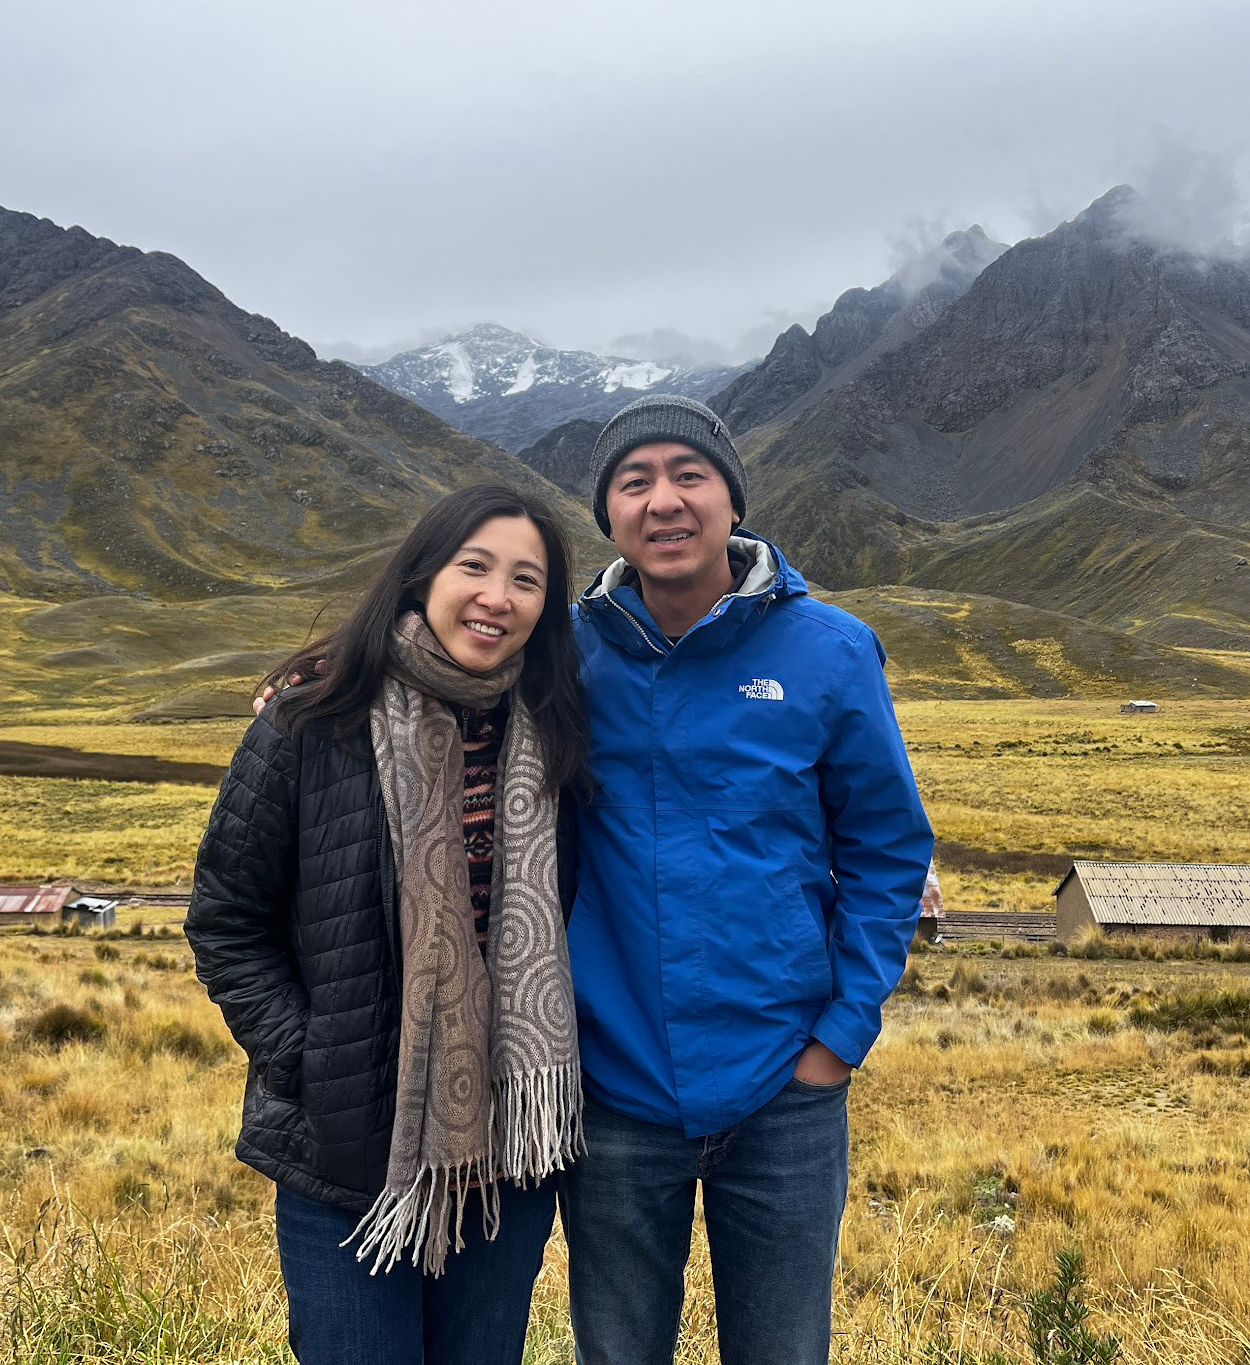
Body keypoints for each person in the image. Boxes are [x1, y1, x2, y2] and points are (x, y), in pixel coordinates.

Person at [561, 393, 935, 1365]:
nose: (663, 501)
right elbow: (444, 670)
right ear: (609, 517)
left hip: (784, 1092)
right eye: (633, 482)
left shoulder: (831, 651)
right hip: (614, 1091)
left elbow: (888, 849)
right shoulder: (562, 653)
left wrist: (840, 1038)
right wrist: (319, 681)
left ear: (733, 500)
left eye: (689, 474)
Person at [185, 483, 589, 1365]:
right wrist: (312, 1058)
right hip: (344, 1149)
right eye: (474, 566)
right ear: (420, 576)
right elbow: (226, 920)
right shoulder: (310, 722)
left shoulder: (560, 728)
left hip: (508, 1156)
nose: (497, 597)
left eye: (527, 580)